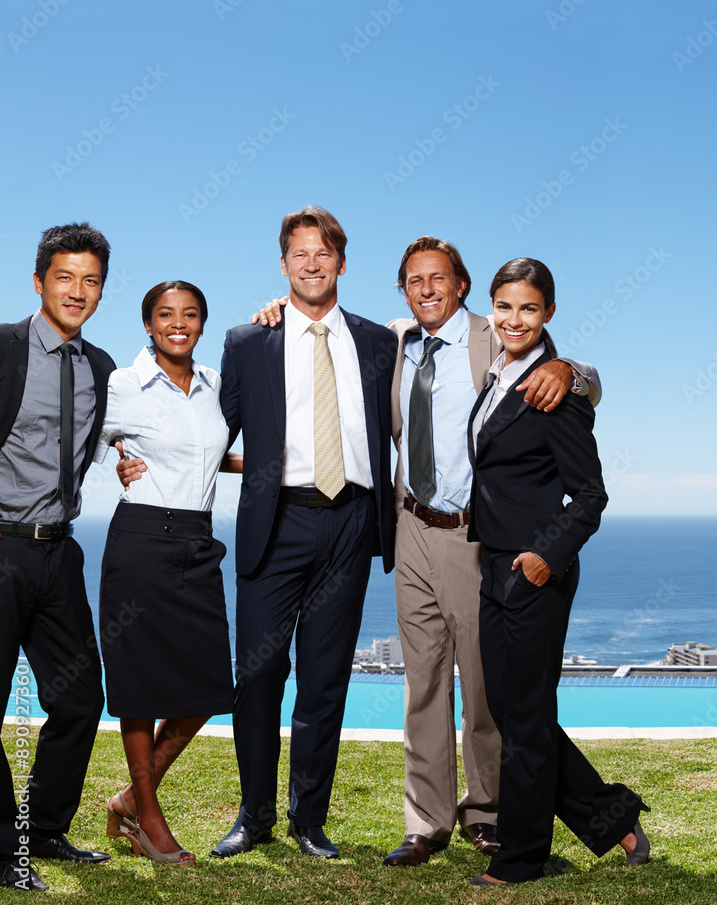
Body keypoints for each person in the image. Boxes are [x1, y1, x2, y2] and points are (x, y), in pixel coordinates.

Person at [250, 236, 600, 867]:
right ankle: (426, 822)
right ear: (403, 291)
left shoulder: (494, 335)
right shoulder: (392, 342)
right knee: (423, 684)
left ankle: (486, 813)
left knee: (486, 688)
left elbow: (573, 373)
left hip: (474, 535)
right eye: (414, 281)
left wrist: (570, 371)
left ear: (461, 285)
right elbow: (320, 334)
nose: (427, 290)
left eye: (438, 278)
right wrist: (281, 307)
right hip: (408, 526)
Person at [211, 206, 397, 860]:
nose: (312, 263)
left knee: (325, 680)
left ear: (342, 263)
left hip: (351, 521)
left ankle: (308, 820)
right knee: (257, 677)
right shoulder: (247, 341)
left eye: (324, 253)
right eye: (300, 253)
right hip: (275, 521)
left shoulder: (381, 342)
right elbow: (215, 431)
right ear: (284, 264)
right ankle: (254, 815)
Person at [467, 258, 649, 886]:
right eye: (505, 307)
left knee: (522, 718)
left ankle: (521, 857)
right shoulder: (499, 376)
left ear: (547, 314)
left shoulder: (556, 389)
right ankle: (609, 817)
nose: (514, 319)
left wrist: (545, 557)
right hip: (494, 563)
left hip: (532, 572)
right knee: (521, 712)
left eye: (529, 308)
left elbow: (590, 494)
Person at [96, 281, 240, 864]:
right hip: (140, 541)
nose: (178, 324)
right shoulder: (123, 385)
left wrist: (265, 468)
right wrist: (117, 459)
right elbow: (84, 440)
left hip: (198, 540)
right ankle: (150, 817)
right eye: (165, 315)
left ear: (202, 324)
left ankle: (130, 797)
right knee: (140, 685)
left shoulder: (216, 387)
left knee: (209, 686)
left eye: (190, 315)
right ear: (148, 324)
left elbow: (207, 454)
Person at [0, 223, 115, 892]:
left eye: (91, 279)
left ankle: (43, 827)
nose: (77, 291)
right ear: (39, 280)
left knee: (78, 699)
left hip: (59, 553)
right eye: (65, 277)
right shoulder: (7, 348)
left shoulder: (98, 366)